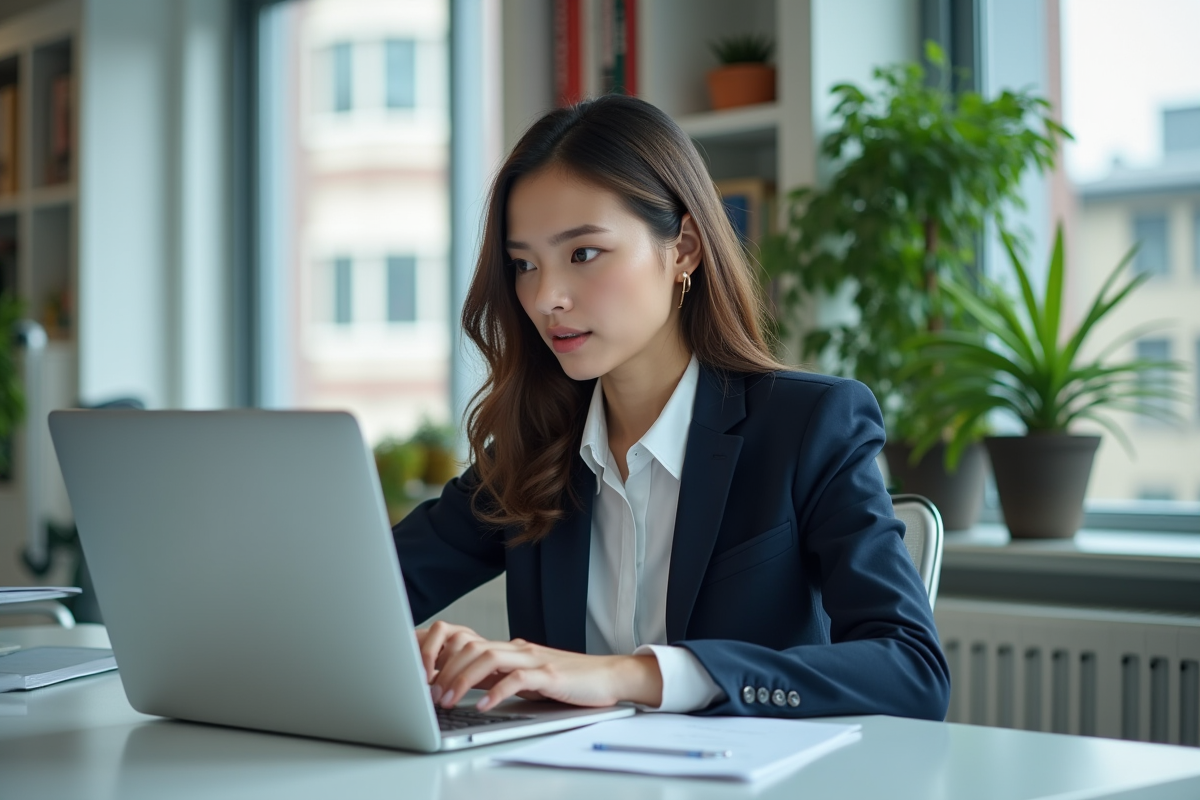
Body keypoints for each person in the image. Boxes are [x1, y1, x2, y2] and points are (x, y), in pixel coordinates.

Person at [392, 94, 950, 720]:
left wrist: (634, 675)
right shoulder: (534, 447)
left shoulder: (810, 428)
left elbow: (911, 671)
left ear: (683, 247)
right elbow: (356, 597)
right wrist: (405, 648)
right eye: (524, 264)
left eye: (583, 254)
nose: (546, 296)